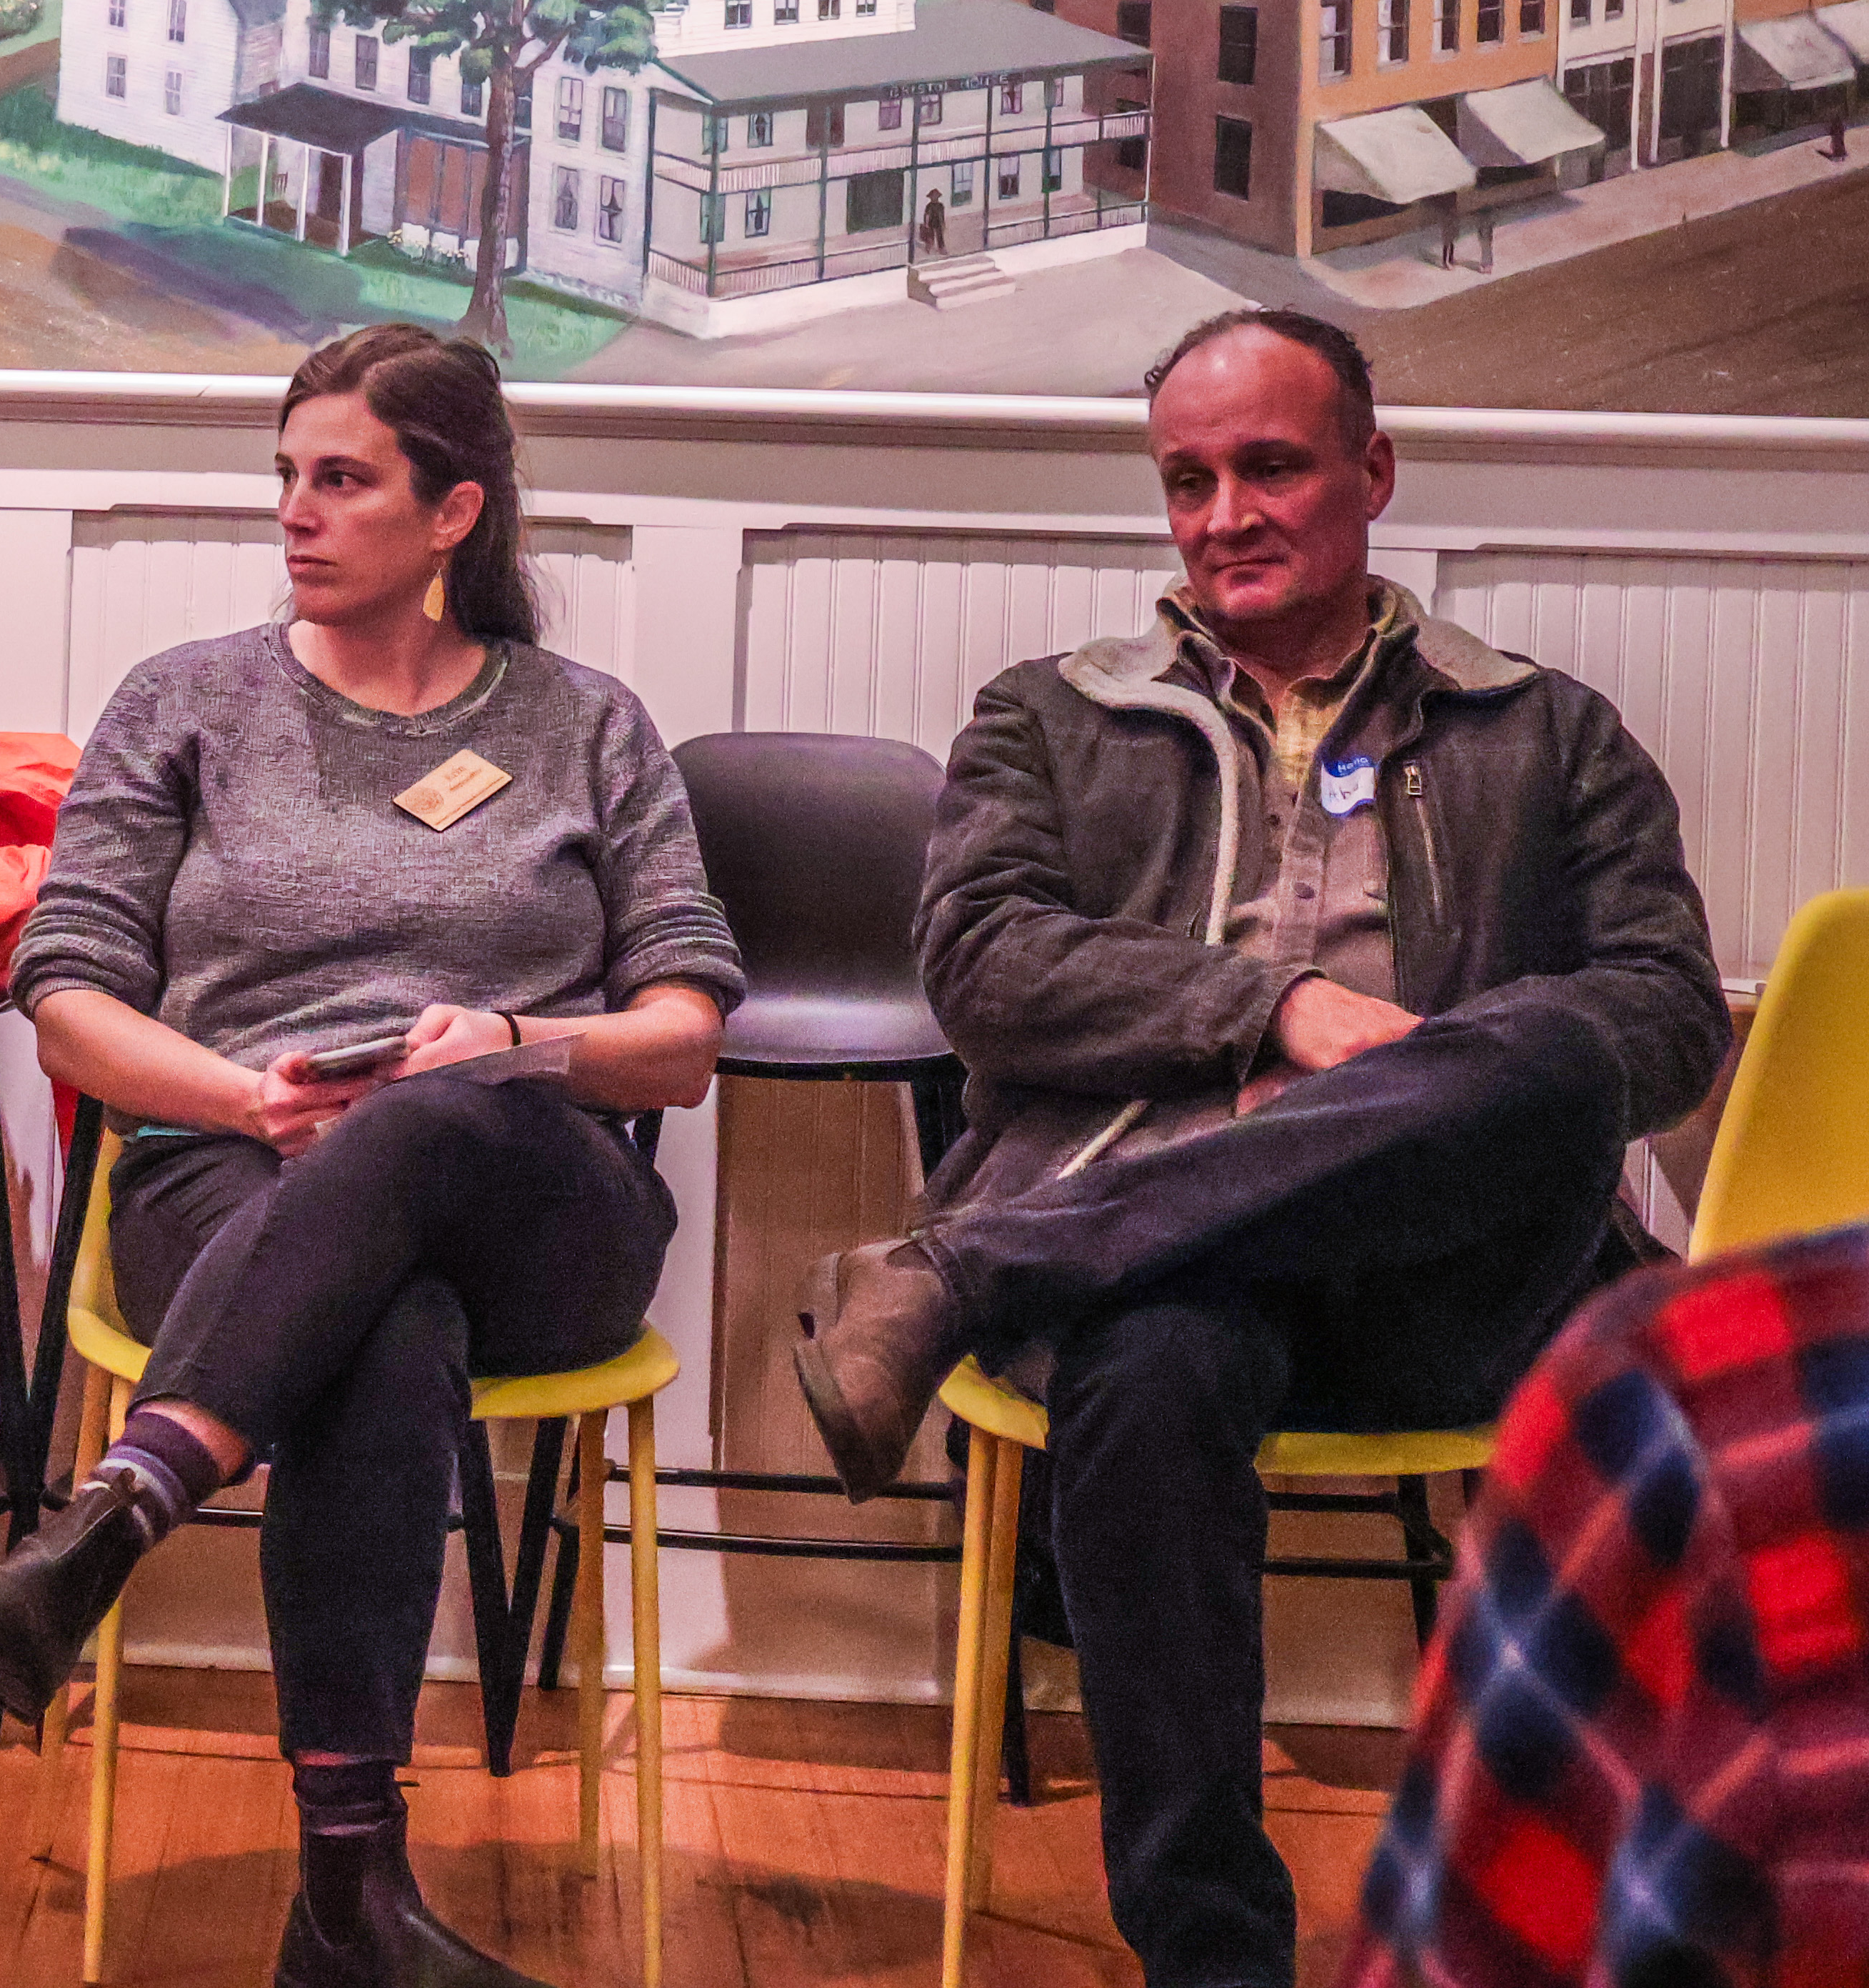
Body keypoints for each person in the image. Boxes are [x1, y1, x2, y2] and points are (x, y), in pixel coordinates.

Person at [797, 307, 1727, 1988]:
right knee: (1145, 1365)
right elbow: (982, 968)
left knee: (1542, 1052)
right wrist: (1275, 1009)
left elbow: (1662, 1009)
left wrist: (1433, 1082)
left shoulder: (1544, 726)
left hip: (1451, 1269)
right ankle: (1211, 1960)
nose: (1224, 512)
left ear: (1372, 470)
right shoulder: (1048, 719)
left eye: (1270, 466)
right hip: (1167, 1263)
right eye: (1187, 479)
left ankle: (963, 1268)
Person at [0, 322, 737, 1988]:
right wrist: (248, 1101)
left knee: (438, 1115)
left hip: (540, 1192)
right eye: (287, 476)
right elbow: (63, 998)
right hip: (235, 1170)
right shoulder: (187, 700)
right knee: (390, 1326)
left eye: (342, 479)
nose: (296, 512)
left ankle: (122, 1504)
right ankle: (350, 1894)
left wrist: (510, 1042)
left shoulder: (586, 720)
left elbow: (683, 1035)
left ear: (453, 512)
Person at [1341, 1214, 1869, 1988]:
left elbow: (1648, 1092)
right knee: (1157, 1362)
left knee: (1560, 1089)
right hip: (1223, 1293)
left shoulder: (1681, 1407)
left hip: (1447, 1270)